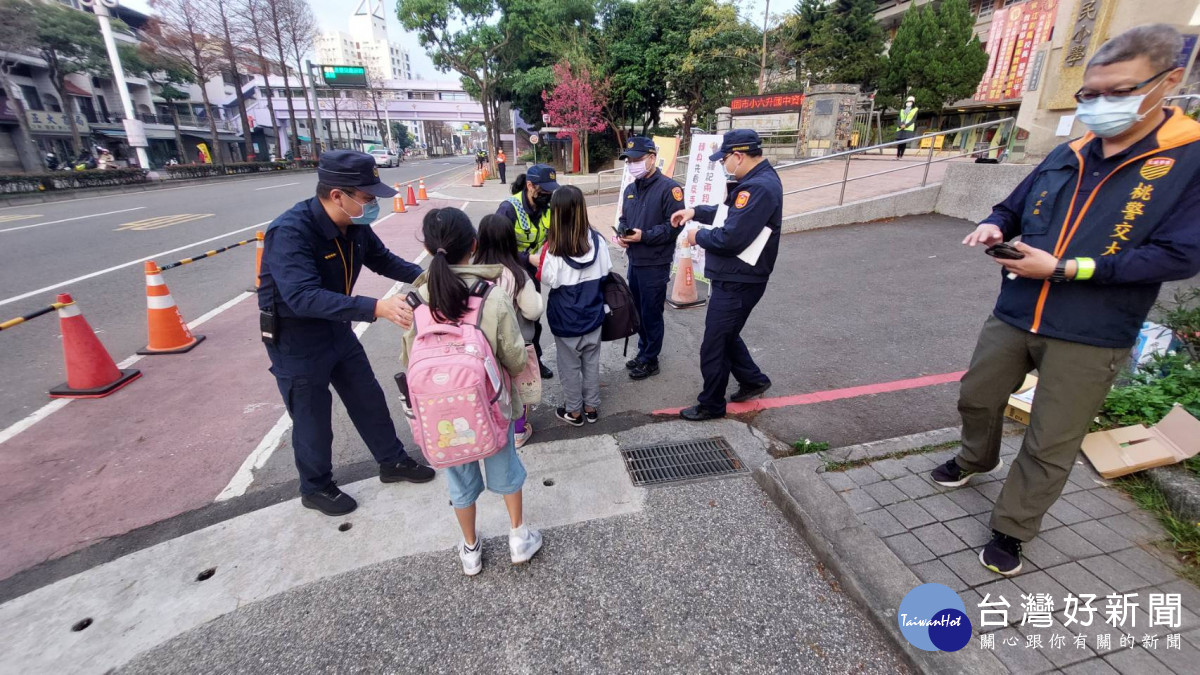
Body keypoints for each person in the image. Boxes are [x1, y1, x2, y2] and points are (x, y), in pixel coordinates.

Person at [934, 24, 1200, 577]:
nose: (1100, 106)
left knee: (1051, 439)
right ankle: (974, 458)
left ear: (1167, 82)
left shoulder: (1188, 159)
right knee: (978, 397)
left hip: (1092, 330)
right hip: (1015, 311)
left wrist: (1064, 269)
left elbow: (1178, 256)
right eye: (1090, 94)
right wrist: (992, 223)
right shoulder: (1071, 150)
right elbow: (1012, 204)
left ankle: (1012, 527)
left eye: (1119, 92)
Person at [257, 149, 435, 517]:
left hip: (337, 327)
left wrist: (428, 276)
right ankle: (316, 486)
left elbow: (382, 259)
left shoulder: (354, 225)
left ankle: (392, 462)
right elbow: (302, 297)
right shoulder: (290, 232)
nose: (372, 205)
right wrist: (376, 308)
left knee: (367, 396)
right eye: (367, 197)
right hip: (296, 339)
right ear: (337, 195)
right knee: (312, 416)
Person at [402, 208, 542, 576]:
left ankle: (470, 550)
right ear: (474, 246)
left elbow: (408, 358)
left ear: (430, 251)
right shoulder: (490, 295)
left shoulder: (415, 300)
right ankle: (518, 538)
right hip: (491, 407)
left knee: (459, 479)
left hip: (441, 414)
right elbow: (512, 353)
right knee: (507, 468)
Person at [670, 129, 782, 421]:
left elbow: (731, 237)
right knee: (726, 335)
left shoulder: (758, 188)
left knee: (715, 343)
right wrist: (694, 212)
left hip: (739, 280)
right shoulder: (754, 183)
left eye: (724, 160)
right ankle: (753, 379)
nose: (723, 165)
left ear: (739, 155)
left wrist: (696, 237)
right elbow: (726, 214)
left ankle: (711, 404)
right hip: (736, 277)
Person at [541, 184, 612, 427]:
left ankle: (574, 411)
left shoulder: (554, 249)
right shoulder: (598, 242)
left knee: (569, 367)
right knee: (591, 363)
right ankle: (591, 407)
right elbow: (606, 272)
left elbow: (548, 280)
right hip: (593, 315)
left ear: (557, 213)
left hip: (565, 320)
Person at [616, 136, 686, 380]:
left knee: (651, 312)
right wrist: (623, 234)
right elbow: (623, 219)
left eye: (637, 160)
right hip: (635, 260)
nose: (632, 164)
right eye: (629, 161)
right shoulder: (630, 189)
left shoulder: (669, 189)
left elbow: (674, 227)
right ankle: (643, 351)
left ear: (652, 158)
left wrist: (644, 236)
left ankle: (651, 359)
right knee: (637, 311)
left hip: (655, 262)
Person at [475, 213, 545, 447]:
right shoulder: (516, 273)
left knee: (490, 386)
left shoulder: (472, 271)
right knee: (518, 388)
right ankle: (517, 431)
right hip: (513, 343)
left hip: (481, 344)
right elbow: (532, 311)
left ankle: (492, 426)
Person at [496, 163, 559, 379]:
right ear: (530, 185)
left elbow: (551, 234)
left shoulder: (547, 208)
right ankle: (507, 365)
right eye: (544, 190)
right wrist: (526, 258)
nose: (548, 195)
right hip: (507, 273)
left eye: (551, 190)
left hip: (532, 273)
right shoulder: (508, 209)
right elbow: (497, 247)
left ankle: (534, 360)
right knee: (507, 320)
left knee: (532, 318)